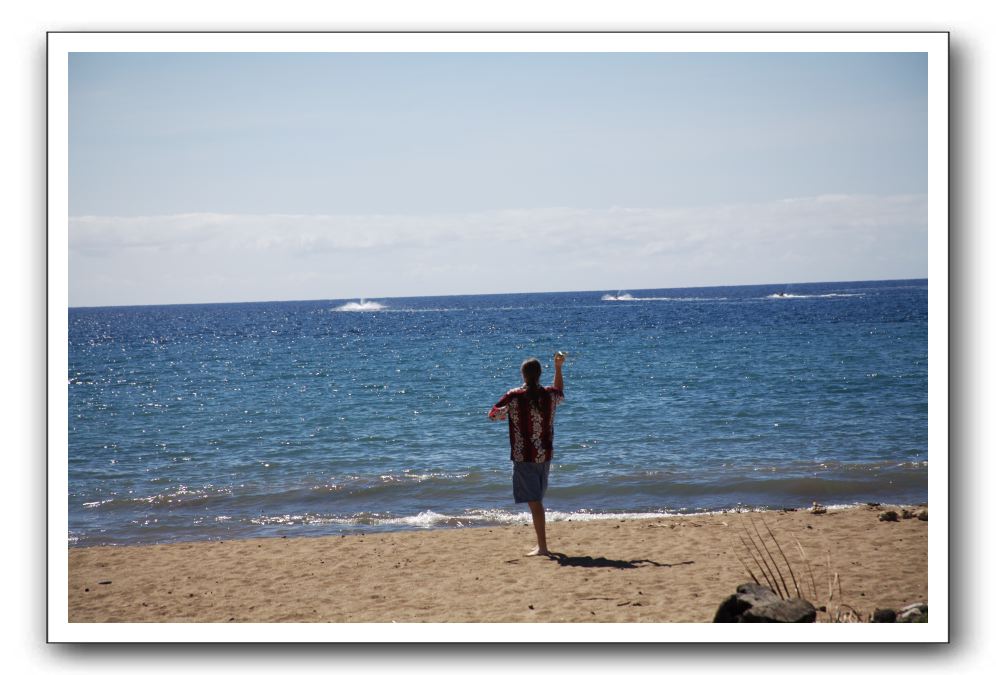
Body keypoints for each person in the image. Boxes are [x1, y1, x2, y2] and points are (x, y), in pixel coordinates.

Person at [488, 351, 566, 556]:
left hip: (524, 456)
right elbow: (559, 391)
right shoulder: (548, 394)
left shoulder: (514, 396)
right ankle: (542, 545)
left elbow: (493, 415)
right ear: (539, 375)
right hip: (545, 454)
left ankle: (542, 547)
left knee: (534, 501)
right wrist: (558, 367)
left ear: (523, 375)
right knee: (536, 499)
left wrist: (507, 415)